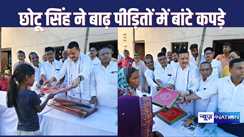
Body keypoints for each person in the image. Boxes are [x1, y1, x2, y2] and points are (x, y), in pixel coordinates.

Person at [6, 64, 76, 135]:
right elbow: (39, 109)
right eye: (33, 77)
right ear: (27, 77)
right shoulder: (31, 94)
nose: (34, 79)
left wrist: (38, 95)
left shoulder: (14, 92)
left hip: (20, 129)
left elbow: (27, 101)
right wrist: (48, 98)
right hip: (32, 130)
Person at [183, 58, 244, 137]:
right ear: (230, 70)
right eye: (239, 68)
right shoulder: (221, 82)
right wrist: (185, 98)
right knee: (188, 125)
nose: (243, 70)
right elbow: (204, 93)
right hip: (222, 120)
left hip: (240, 124)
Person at [168, 50, 200, 114]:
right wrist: (170, 85)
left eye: (187, 58)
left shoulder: (194, 68)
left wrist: (188, 92)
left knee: (187, 116)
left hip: (188, 99)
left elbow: (196, 84)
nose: (185, 61)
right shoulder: (175, 67)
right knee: (176, 116)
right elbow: (172, 79)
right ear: (178, 59)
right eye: (182, 59)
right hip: (176, 98)